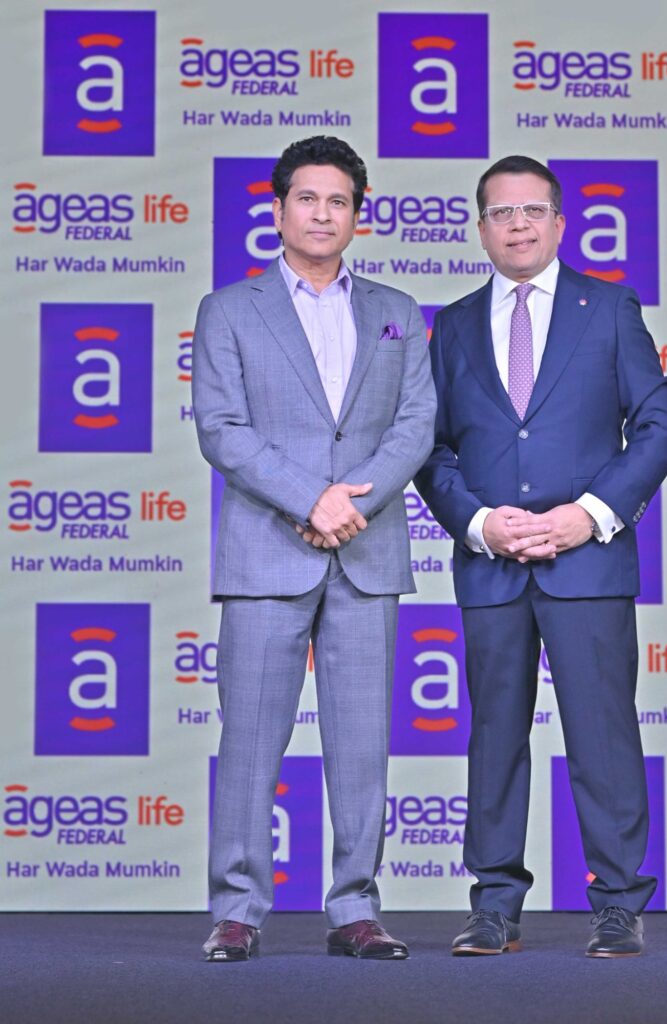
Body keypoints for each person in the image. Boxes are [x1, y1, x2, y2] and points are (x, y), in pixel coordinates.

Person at [414, 155, 667, 958]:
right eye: (500, 212)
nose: (518, 225)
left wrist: (588, 516)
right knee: (494, 738)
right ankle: (493, 905)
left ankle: (618, 904)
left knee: (603, 736)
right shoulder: (452, 325)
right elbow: (431, 448)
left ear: (560, 223)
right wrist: (478, 524)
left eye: (532, 210)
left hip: (587, 563)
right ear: (480, 229)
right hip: (491, 567)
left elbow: (658, 425)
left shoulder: (609, 308)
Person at [192, 136, 435, 962]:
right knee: (248, 743)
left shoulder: (396, 310)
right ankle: (237, 910)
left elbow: (416, 424)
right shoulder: (230, 309)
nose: (322, 214)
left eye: (338, 201)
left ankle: (355, 909)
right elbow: (222, 429)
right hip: (267, 550)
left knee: (361, 745)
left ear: (358, 215)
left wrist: (347, 505)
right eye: (307, 198)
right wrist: (310, 499)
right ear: (277, 209)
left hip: (365, 553)